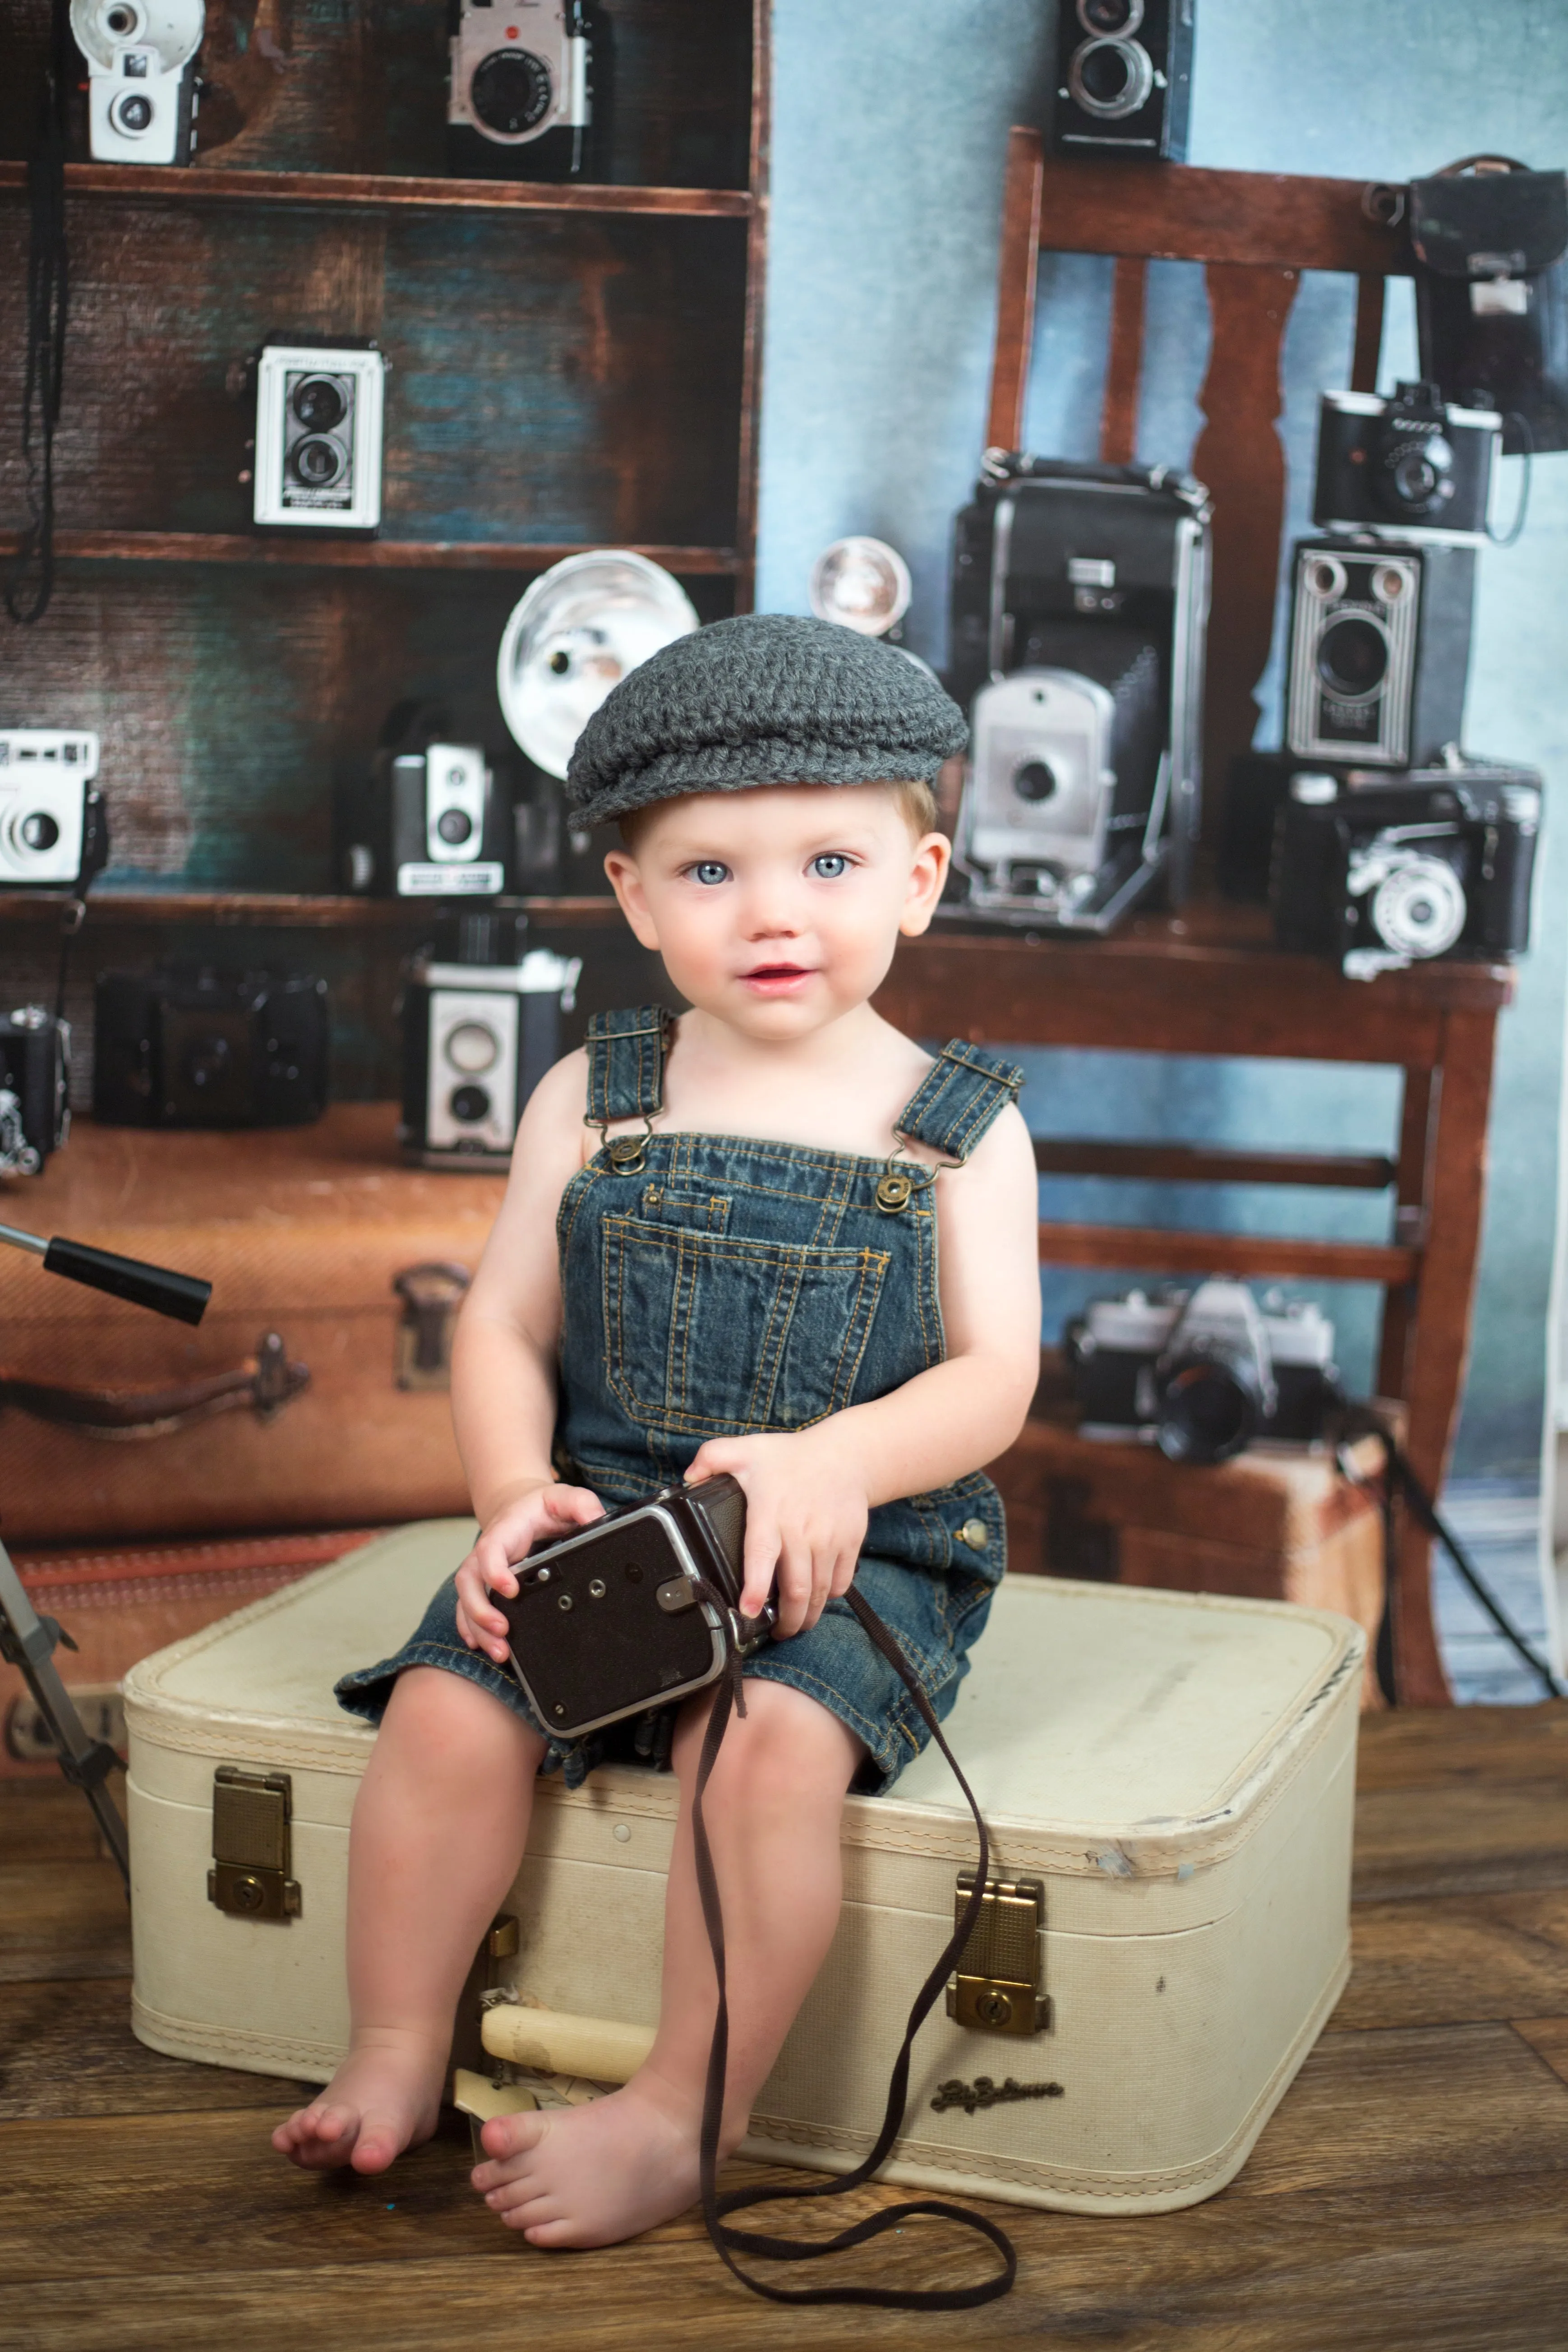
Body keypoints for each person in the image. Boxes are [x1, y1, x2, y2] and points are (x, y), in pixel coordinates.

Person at [272, 614, 1042, 2249]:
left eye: (830, 862)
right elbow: (502, 1322)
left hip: (854, 1538)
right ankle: (402, 2043)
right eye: (709, 874)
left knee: (753, 1757)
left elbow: (994, 1381)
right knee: (444, 1711)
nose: (772, 912)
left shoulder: (957, 1130)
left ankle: (692, 2108)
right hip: (607, 1505)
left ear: (919, 878)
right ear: (629, 895)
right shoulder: (592, 1093)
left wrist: (834, 1461)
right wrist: (510, 1491)